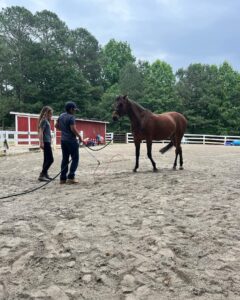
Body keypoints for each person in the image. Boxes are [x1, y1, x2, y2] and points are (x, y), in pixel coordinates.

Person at [55, 101, 83, 184]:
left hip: (63, 141)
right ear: (71, 109)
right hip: (71, 141)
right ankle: (71, 177)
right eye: (74, 110)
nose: (75, 111)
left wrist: (63, 130)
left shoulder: (61, 115)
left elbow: (56, 126)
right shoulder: (71, 117)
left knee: (65, 159)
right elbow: (73, 129)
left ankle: (62, 178)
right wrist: (80, 137)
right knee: (75, 159)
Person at [38, 106, 54, 181]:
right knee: (51, 159)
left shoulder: (46, 121)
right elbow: (41, 132)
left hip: (47, 141)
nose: (51, 115)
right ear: (46, 113)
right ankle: (42, 174)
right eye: (50, 114)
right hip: (45, 142)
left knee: (46, 159)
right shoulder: (44, 120)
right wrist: (41, 142)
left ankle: (45, 174)